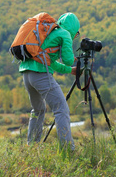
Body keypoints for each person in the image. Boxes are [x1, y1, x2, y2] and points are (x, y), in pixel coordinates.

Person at [19, 12, 80, 150]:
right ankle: (67, 150)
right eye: (76, 34)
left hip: (27, 74)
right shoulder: (64, 34)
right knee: (61, 109)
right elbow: (68, 59)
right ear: (73, 29)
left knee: (38, 110)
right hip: (40, 74)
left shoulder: (50, 33)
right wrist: (72, 59)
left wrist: (71, 70)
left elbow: (51, 63)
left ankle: (32, 147)